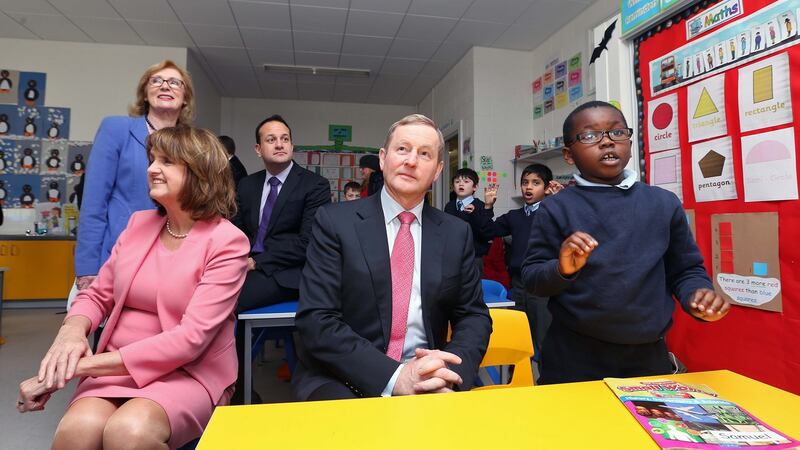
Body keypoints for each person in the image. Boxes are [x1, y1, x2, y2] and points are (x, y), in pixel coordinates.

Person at [17, 126, 249, 450]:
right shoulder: (139, 224)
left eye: (166, 161)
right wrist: (70, 333)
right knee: (76, 432)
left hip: (189, 371)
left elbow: (189, 340)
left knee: (129, 431)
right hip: (115, 367)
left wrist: (71, 370)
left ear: (201, 173)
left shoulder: (227, 242)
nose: (152, 168)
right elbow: (98, 294)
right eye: (152, 159)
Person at [521, 101, 730, 385]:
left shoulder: (662, 203)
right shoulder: (556, 208)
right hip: (574, 357)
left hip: (648, 357)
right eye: (590, 135)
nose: (607, 142)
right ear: (569, 155)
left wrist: (697, 294)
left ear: (629, 142)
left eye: (617, 132)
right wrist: (563, 268)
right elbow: (533, 279)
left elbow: (685, 270)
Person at [293, 114, 492, 401]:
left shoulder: (455, 232)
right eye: (403, 149)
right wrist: (395, 377)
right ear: (383, 159)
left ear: (437, 171)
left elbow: (473, 315)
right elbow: (316, 320)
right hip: (343, 374)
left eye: (424, 154)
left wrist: (448, 368)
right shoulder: (335, 222)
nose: (411, 161)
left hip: (427, 373)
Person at [231, 114, 330, 403]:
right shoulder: (247, 185)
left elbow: (308, 242)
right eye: (271, 139)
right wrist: (236, 257)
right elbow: (235, 229)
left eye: (284, 139)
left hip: (290, 272)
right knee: (205, 291)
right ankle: (230, 383)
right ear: (258, 149)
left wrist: (257, 262)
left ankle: (235, 392)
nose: (279, 144)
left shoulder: (314, 185)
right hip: (248, 266)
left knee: (228, 300)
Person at [74, 60, 194, 292]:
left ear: (185, 97)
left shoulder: (191, 143)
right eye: (156, 81)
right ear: (145, 94)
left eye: (174, 83)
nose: (165, 86)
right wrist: (88, 268)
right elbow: (93, 203)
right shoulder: (116, 129)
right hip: (121, 253)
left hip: (175, 256)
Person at [484, 163, 562, 357]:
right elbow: (487, 231)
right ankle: (517, 380)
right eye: (525, 182)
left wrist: (560, 201)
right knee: (517, 340)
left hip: (543, 284)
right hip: (518, 285)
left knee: (543, 340)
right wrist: (488, 206)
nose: (528, 187)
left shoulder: (552, 212)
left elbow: (568, 230)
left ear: (546, 188)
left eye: (535, 183)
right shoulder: (515, 216)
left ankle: (546, 384)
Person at [443, 168, 495, 276]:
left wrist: (474, 215)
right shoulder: (449, 206)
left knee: (473, 288)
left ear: (475, 187)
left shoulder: (480, 206)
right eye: (457, 182)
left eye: (466, 182)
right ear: (453, 186)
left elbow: (486, 232)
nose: (461, 184)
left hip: (474, 256)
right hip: (453, 256)